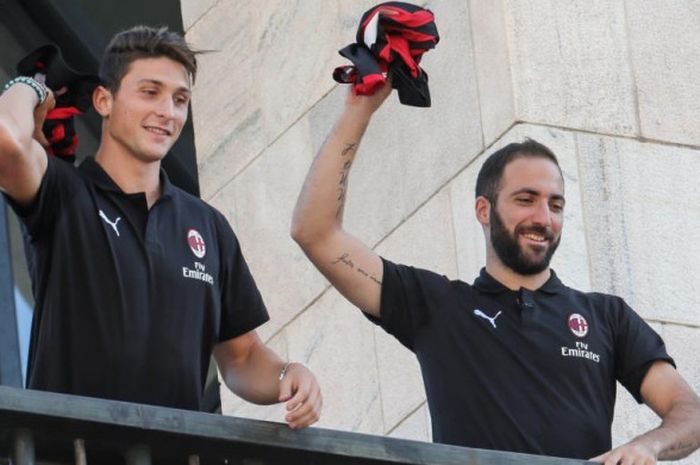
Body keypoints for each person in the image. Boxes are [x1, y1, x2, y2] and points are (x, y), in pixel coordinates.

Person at [290, 81, 700, 461]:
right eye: (526, 199)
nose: (544, 217)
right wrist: (359, 107)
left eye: (555, 205)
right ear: (483, 210)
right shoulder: (436, 306)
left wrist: (648, 445)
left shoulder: (607, 317)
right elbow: (316, 234)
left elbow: (689, 412)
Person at [0, 25, 321, 429]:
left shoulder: (207, 225)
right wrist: (31, 84)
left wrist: (285, 375)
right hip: (67, 454)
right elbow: (7, 141)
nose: (167, 112)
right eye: (150, 92)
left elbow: (241, 357)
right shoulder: (64, 192)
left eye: (180, 99)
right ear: (103, 99)